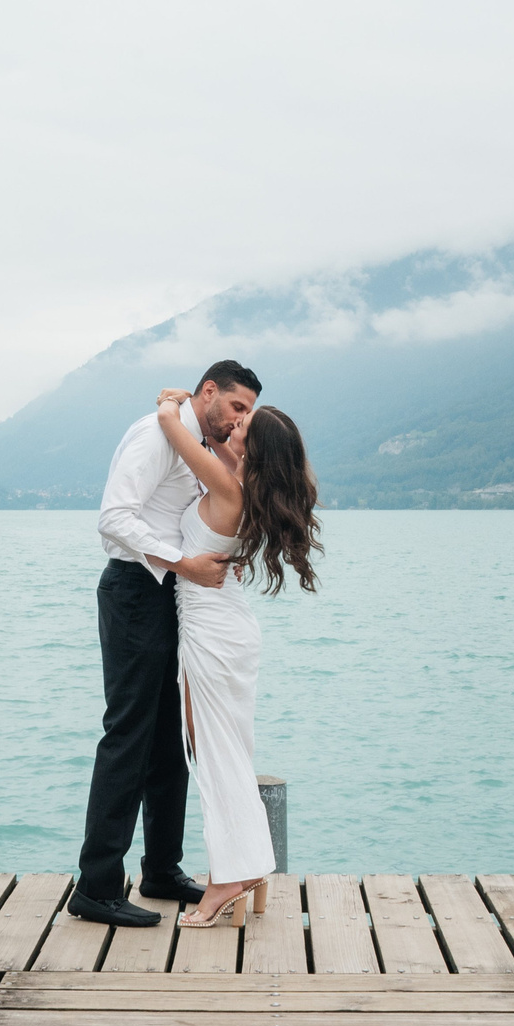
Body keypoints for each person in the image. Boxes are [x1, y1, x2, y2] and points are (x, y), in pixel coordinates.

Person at [69, 360, 263, 927]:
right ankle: (98, 886)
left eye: (248, 413)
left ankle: (160, 868)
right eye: (236, 407)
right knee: (128, 733)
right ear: (209, 392)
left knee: (167, 740)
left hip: (172, 592)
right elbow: (114, 518)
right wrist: (184, 562)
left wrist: (198, 565)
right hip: (135, 588)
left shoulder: (198, 438)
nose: (239, 420)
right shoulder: (155, 433)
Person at [152, 384, 321, 929]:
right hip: (221, 627)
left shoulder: (230, 483)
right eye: (238, 416)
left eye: (245, 424)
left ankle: (230, 875)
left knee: (216, 753)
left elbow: (177, 432)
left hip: (214, 630)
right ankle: (243, 864)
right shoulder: (244, 479)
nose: (235, 425)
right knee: (216, 749)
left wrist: (167, 403)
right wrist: (225, 432)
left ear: (255, 447)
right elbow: (213, 443)